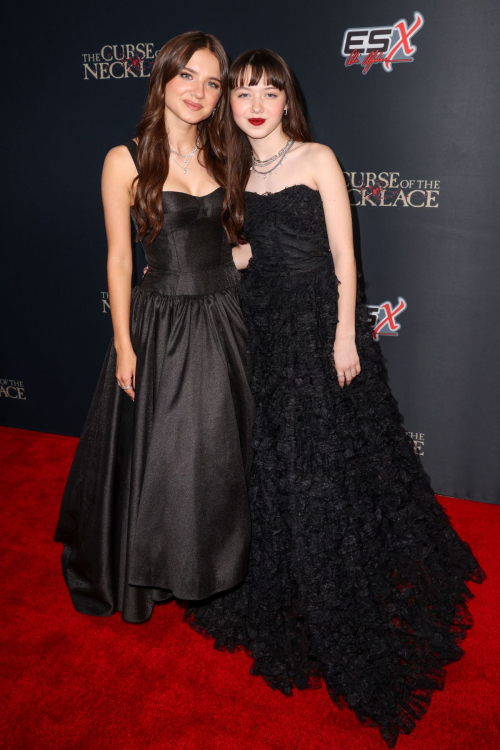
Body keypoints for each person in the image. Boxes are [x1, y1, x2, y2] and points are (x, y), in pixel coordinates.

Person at [185, 49, 485, 747]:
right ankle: (274, 581)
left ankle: (339, 589)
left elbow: (348, 258)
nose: (255, 103)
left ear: (287, 101)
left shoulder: (317, 159)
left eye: (268, 92)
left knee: (327, 463)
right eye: (242, 92)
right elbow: (246, 254)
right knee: (269, 460)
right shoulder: (233, 170)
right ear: (229, 104)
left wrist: (346, 334)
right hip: (260, 325)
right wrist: (191, 257)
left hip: (320, 324)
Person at [54, 32, 254, 624]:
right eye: (187, 75)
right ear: (163, 78)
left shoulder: (226, 156)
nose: (199, 91)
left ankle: (215, 567)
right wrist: (123, 343)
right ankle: (151, 572)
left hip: (223, 319)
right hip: (161, 322)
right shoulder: (127, 158)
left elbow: (235, 242)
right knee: (165, 454)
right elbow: (119, 258)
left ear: (221, 98)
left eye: (213, 82)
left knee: (216, 452)